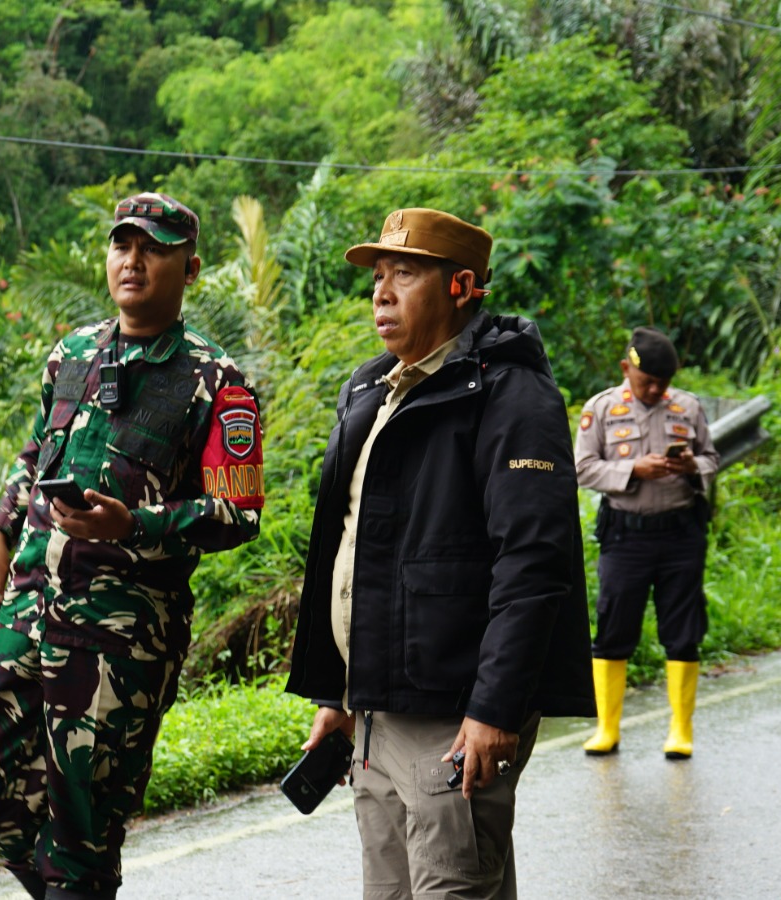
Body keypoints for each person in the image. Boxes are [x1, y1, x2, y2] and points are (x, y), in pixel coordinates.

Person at [0, 193, 264, 900]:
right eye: (122, 245)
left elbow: (238, 513)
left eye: (152, 248)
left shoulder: (217, 382)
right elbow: (37, 452)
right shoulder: (71, 353)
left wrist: (133, 525)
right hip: (28, 609)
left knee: (83, 835)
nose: (133, 260)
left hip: (117, 643)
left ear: (188, 269)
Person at [286, 207, 593, 899]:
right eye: (377, 276)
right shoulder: (370, 391)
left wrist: (493, 710)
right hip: (374, 713)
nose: (381, 292)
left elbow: (532, 564)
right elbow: (351, 547)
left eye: (405, 273)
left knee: (457, 886)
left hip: (452, 716)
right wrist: (336, 694)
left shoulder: (511, 395)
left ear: (462, 288)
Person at [573, 328, 719, 760]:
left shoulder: (688, 407)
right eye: (647, 381)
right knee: (614, 629)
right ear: (626, 369)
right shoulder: (601, 409)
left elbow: (712, 458)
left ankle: (680, 730)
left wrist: (694, 466)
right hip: (625, 536)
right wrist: (634, 470)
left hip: (681, 535)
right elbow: (582, 468)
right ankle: (607, 729)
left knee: (683, 631)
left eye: (663, 382)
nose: (655, 390)